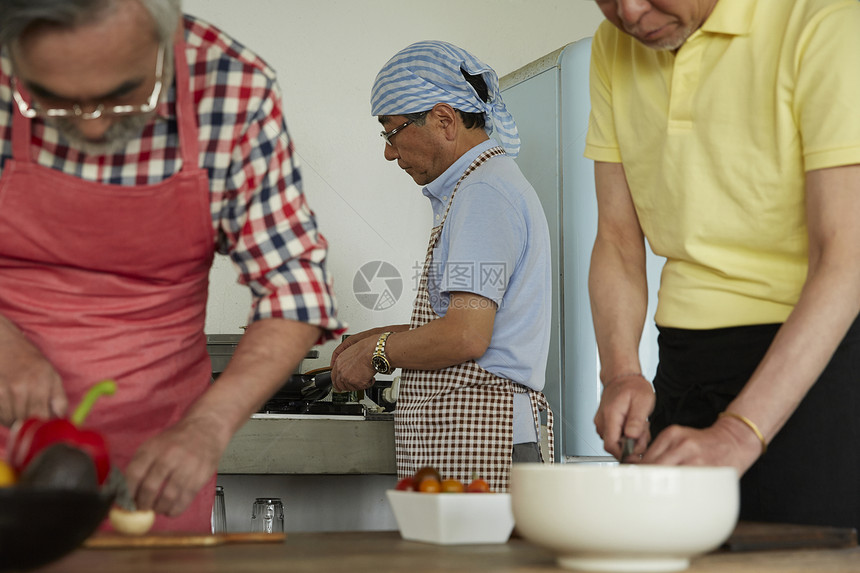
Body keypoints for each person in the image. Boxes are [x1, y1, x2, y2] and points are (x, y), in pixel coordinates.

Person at [0, 0, 344, 531]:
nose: (92, 132)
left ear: (164, 41)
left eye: (124, 95)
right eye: (50, 100)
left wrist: (208, 427)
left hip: (155, 462)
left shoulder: (231, 88)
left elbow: (293, 292)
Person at [585, 0, 860, 528]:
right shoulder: (613, 43)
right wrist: (620, 371)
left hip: (813, 359)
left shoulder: (825, 20)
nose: (631, 12)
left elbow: (844, 258)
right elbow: (618, 241)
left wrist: (739, 432)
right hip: (684, 363)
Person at [330, 41, 553, 492]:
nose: (390, 152)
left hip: (486, 433)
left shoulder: (482, 194)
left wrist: (379, 353)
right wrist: (379, 337)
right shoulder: (483, 186)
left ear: (444, 119)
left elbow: (467, 335)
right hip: (480, 431)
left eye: (391, 132)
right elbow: (472, 320)